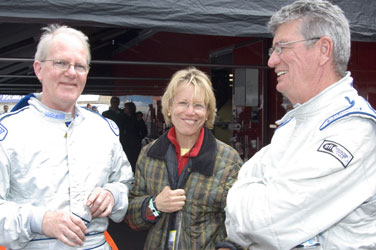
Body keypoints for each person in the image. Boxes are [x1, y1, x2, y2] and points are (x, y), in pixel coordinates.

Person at [220, 1, 376, 249]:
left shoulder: (352, 131)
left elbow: (262, 224)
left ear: (324, 49)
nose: (271, 61)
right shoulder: (295, 123)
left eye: (281, 47)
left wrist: (243, 191)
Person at [0, 24, 134, 249]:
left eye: (79, 66)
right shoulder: (9, 133)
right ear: (38, 69)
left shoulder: (104, 130)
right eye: (60, 62)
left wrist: (112, 195)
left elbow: (125, 183)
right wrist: (40, 220)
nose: (71, 72)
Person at [125, 67, 243, 250]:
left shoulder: (228, 160)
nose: (190, 112)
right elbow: (131, 217)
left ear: (207, 112)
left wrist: (229, 246)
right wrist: (155, 205)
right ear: (170, 107)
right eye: (182, 103)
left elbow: (242, 220)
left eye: (198, 105)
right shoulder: (149, 154)